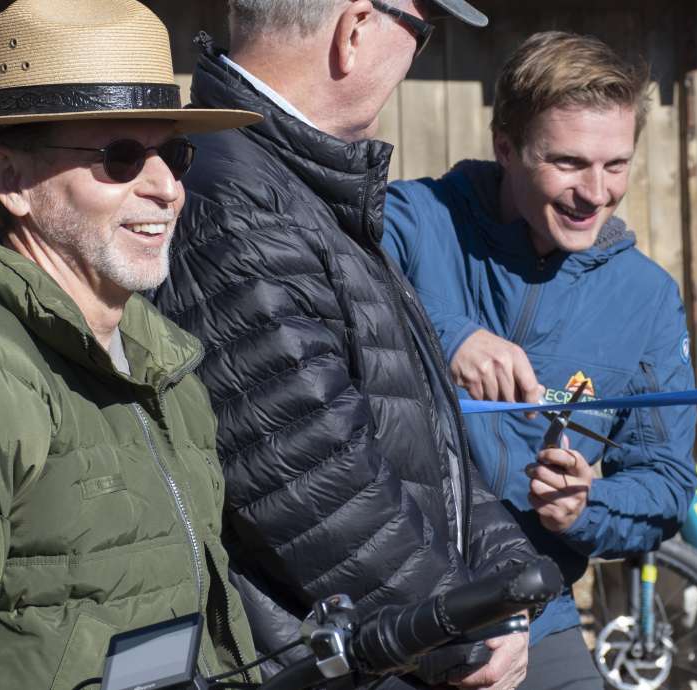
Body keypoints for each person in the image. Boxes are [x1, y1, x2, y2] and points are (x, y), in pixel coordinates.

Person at [149, 1, 537, 687]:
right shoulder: (235, 200)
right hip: (329, 660)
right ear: (355, 30)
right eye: (423, 32)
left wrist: (506, 580)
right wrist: (456, 631)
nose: (418, 55)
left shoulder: (301, 184)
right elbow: (309, 478)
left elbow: (422, 433)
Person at [0, 0, 263, 687]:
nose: (168, 189)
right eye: (120, 158)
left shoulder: (167, 367)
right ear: (12, 181)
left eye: (173, 154)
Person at [382, 31, 697, 688]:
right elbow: (295, 302)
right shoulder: (409, 221)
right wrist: (443, 334)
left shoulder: (646, 300)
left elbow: (665, 483)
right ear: (506, 147)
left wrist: (586, 507)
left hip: (533, 614)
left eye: (616, 165)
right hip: (385, 604)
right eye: (569, 163)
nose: (595, 192)